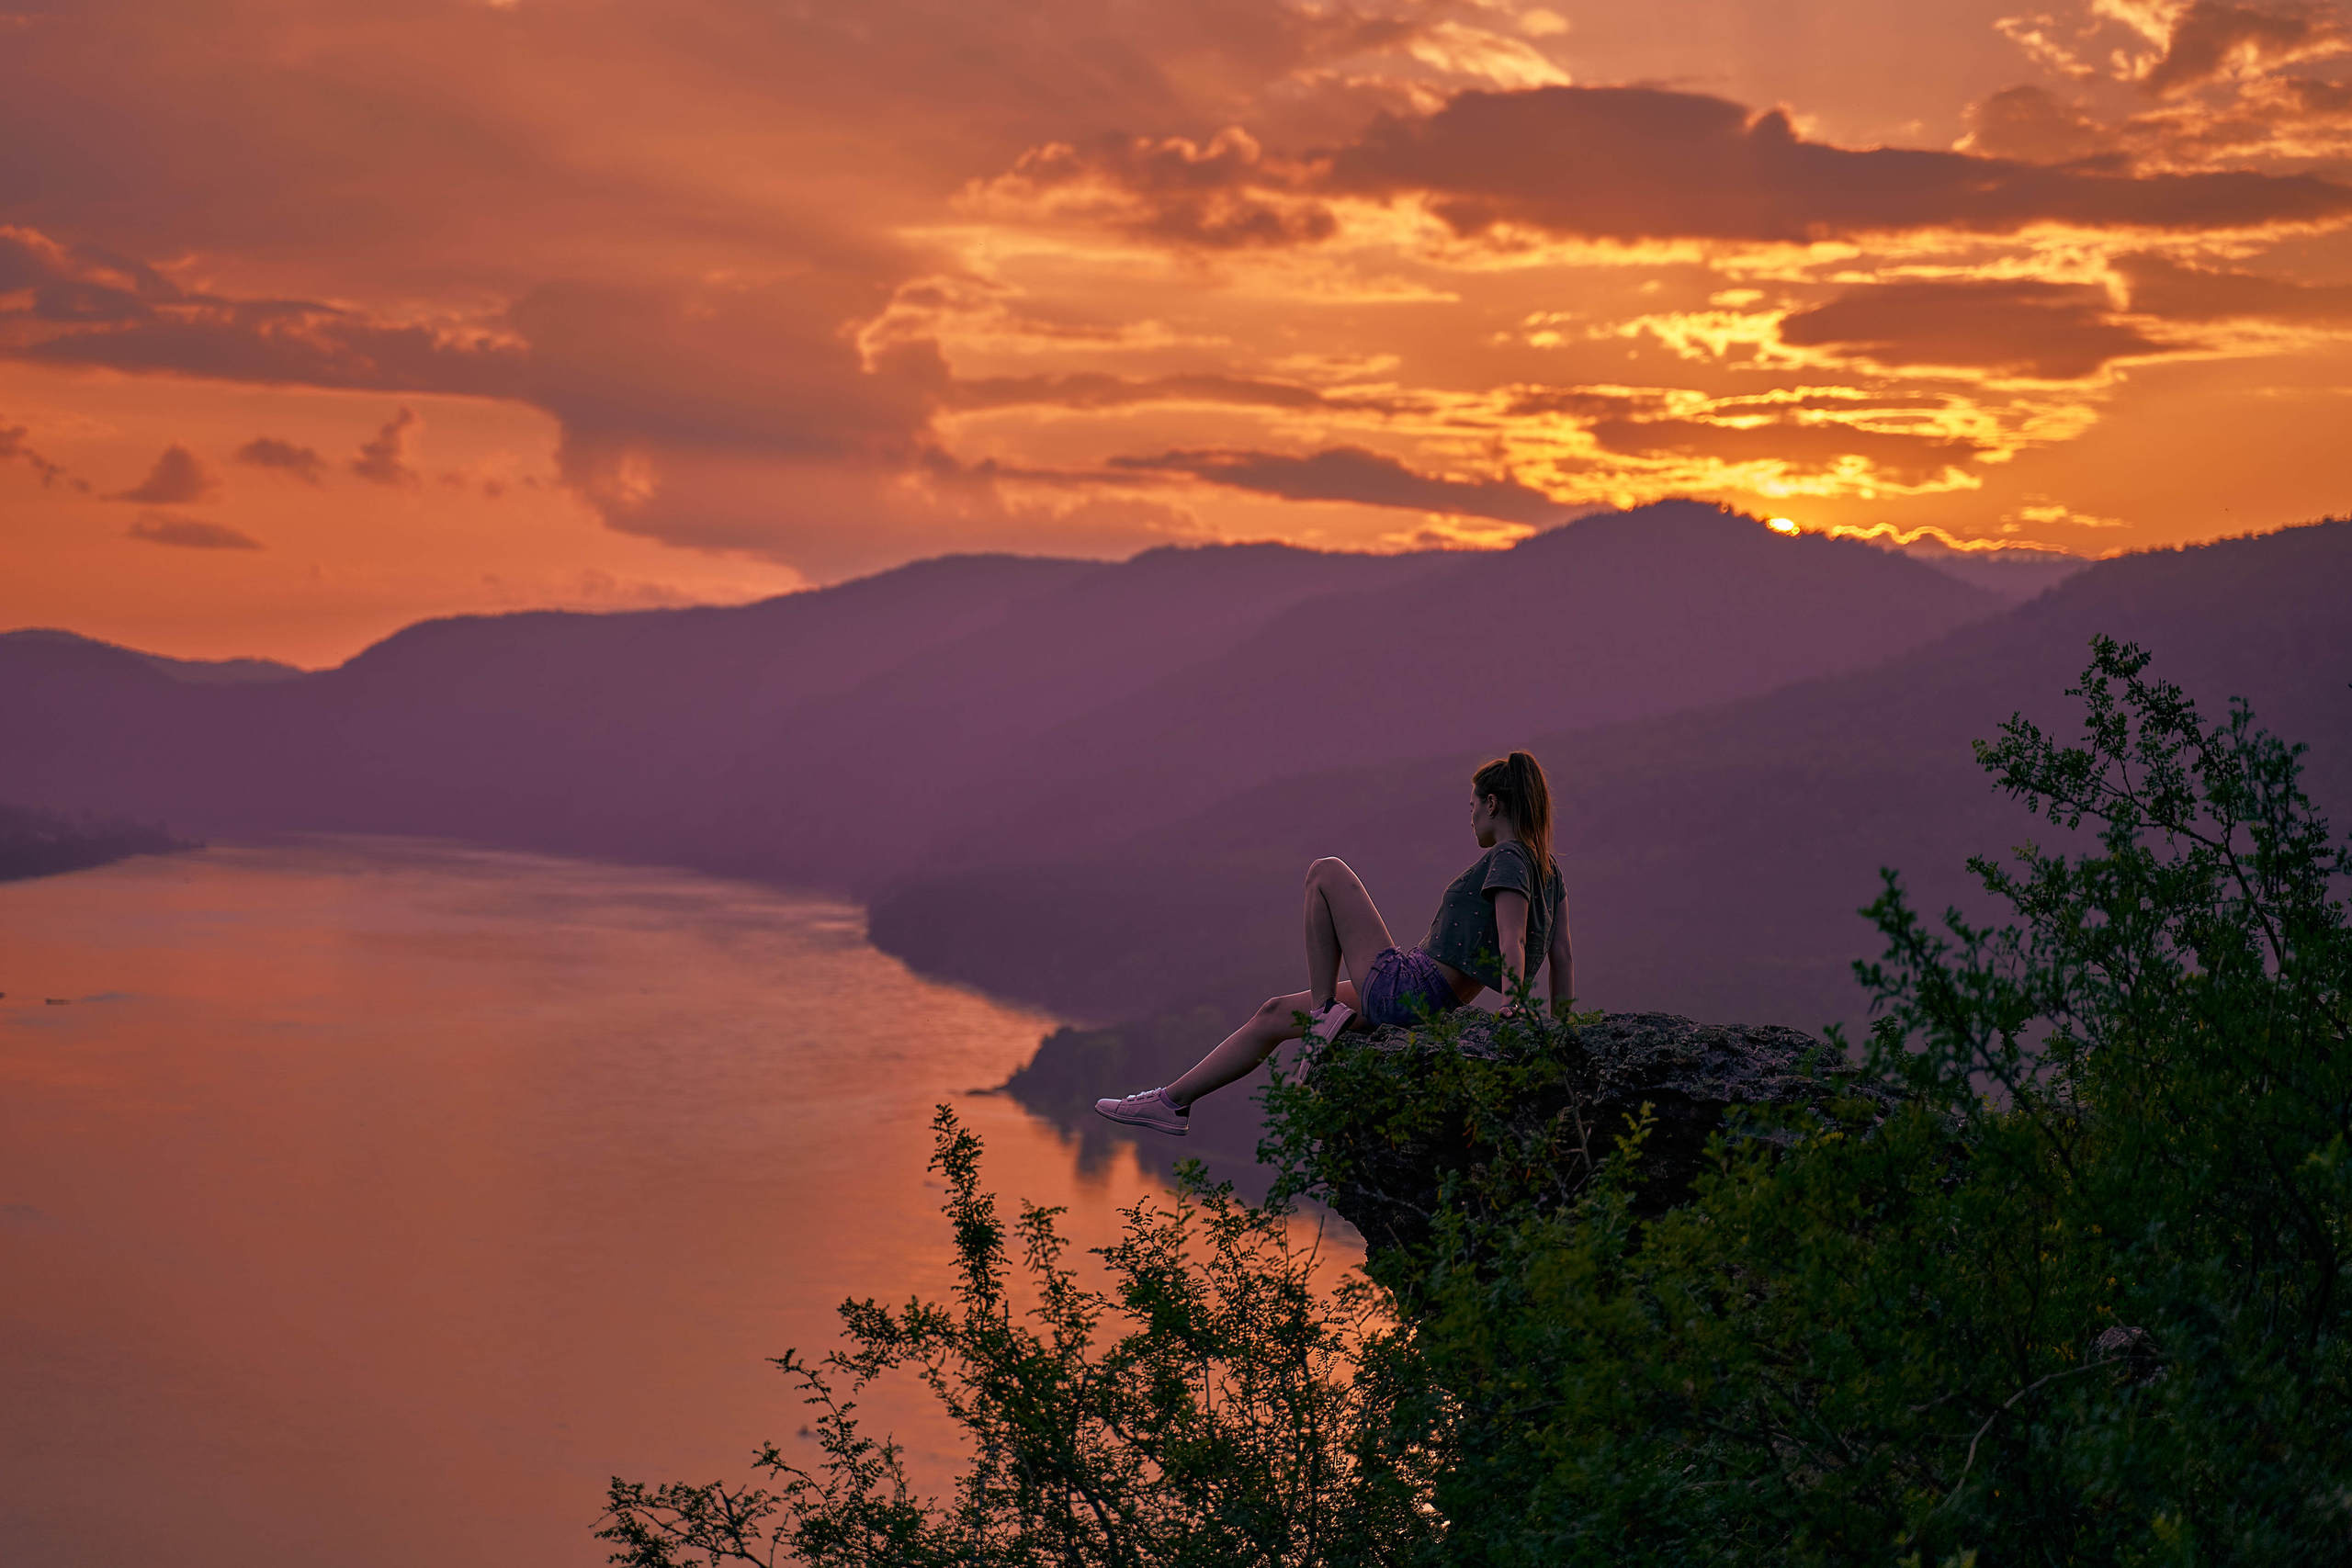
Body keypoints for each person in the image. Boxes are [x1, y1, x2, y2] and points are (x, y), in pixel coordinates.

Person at [1093, 750, 1572, 1136]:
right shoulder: (1548, 870)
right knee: (1275, 1014)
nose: (1469, 819)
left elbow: (1513, 938)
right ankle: (1171, 1103)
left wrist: (1513, 1006)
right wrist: (1566, 1029)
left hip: (1409, 991)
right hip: (1428, 1001)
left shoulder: (1508, 857)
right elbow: (1562, 956)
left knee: (1325, 871)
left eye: (1471, 806)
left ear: (1492, 803)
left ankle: (1324, 1011)